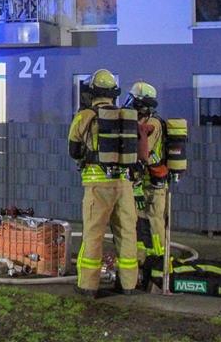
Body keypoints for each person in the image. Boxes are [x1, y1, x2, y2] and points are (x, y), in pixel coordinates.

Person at [67, 68, 138, 297]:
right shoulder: (124, 116)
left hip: (97, 185)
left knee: (93, 234)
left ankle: (88, 285)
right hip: (124, 185)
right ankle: (128, 284)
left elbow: (73, 150)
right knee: (127, 233)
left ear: (92, 91)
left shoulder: (85, 116)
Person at [123, 81, 168, 264]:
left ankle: (158, 262)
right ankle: (141, 262)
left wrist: (138, 185)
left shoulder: (153, 124)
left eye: (134, 101)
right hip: (140, 184)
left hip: (153, 184)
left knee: (154, 222)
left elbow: (143, 156)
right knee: (139, 225)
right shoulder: (138, 122)